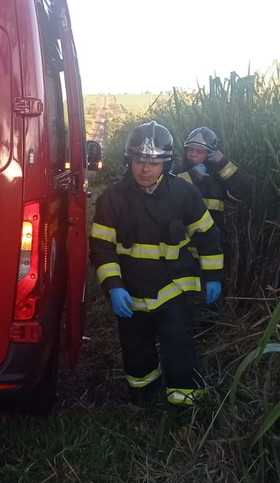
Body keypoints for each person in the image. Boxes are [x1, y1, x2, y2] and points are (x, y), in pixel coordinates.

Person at [89, 121, 224, 406]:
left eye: (154, 162)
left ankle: (185, 405)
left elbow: (208, 237)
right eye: (140, 160)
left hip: (173, 287)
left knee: (179, 345)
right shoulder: (112, 199)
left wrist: (213, 276)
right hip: (131, 290)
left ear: (167, 163)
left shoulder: (185, 195)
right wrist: (113, 286)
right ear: (130, 161)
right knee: (136, 349)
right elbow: (101, 248)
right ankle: (143, 398)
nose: (145, 169)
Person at [176, 126, 252, 280]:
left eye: (199, 151)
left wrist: (223, 163)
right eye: (190, 149)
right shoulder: (176, 171)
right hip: (181, 250)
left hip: (212, 247)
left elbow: (243, 193)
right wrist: (192, 176)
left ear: (210, 154)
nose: (193, 154)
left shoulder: (217, 180)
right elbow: (166, 191)